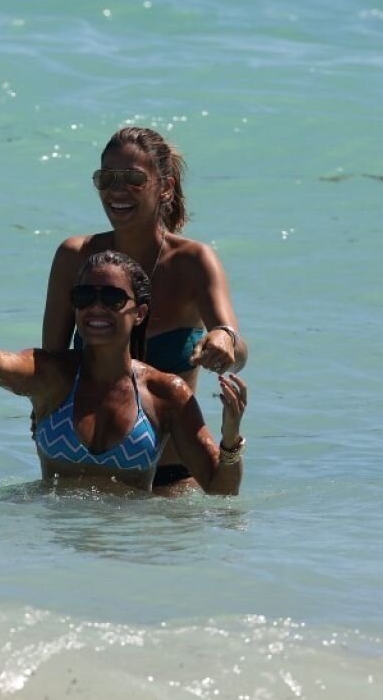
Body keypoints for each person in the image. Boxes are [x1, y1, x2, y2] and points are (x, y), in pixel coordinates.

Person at [0, 251, 248, 496]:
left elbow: (221, 489)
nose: (96, 307)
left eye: (112, 298)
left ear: (139, 313)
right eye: (84, 297)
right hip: (56, 542)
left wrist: (231, 437)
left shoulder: (165, 393)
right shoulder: (53, 376)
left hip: (130, 542)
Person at [42, 126, 248, 494]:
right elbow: (50, 366)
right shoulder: (76, 257)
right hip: (80, 481)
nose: (117, 191)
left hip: (170, 483)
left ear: (165, 186)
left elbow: (237, 350)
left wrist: (224, 338)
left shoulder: (193, 261)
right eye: (107, 179)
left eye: (134, 179)